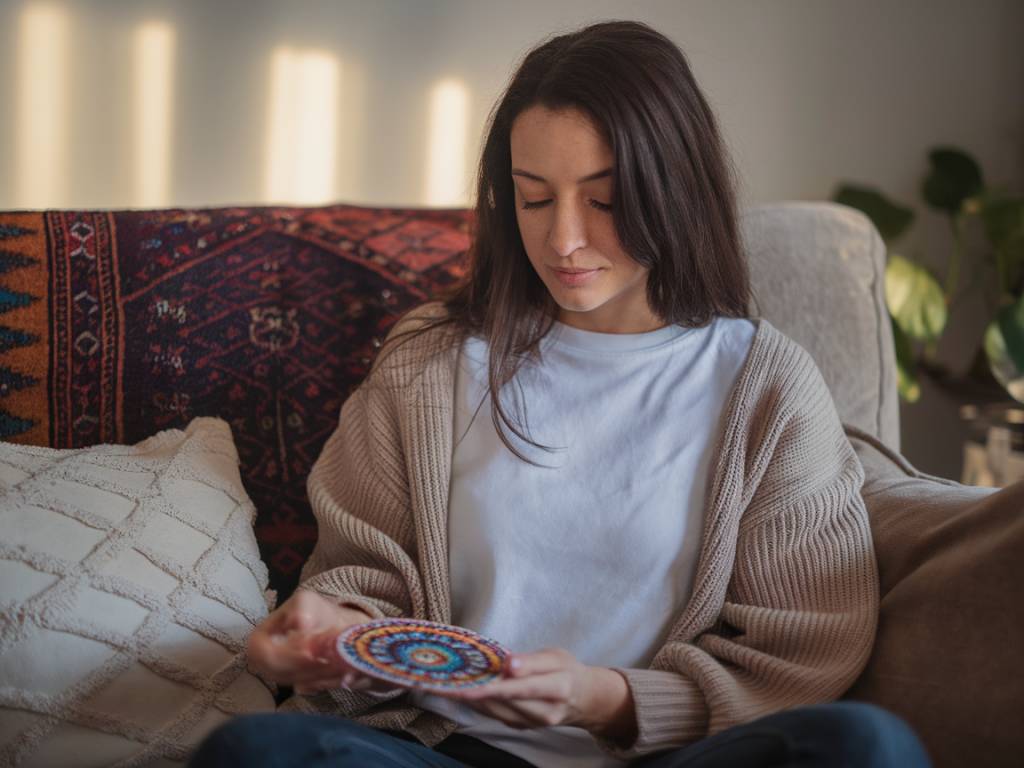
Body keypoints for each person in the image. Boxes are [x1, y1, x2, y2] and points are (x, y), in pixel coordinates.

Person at [191, 19, 931, 768]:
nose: (563, 240)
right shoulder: (430, 362)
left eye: (603, 201)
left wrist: (604, 698)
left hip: (657, 756)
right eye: (534, 198)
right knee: (258, 750)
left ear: (674, 190)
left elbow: (802, 648)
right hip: (450, 751)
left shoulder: (766, 386)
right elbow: (367, 579)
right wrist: (335, 629)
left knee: (867, 746)